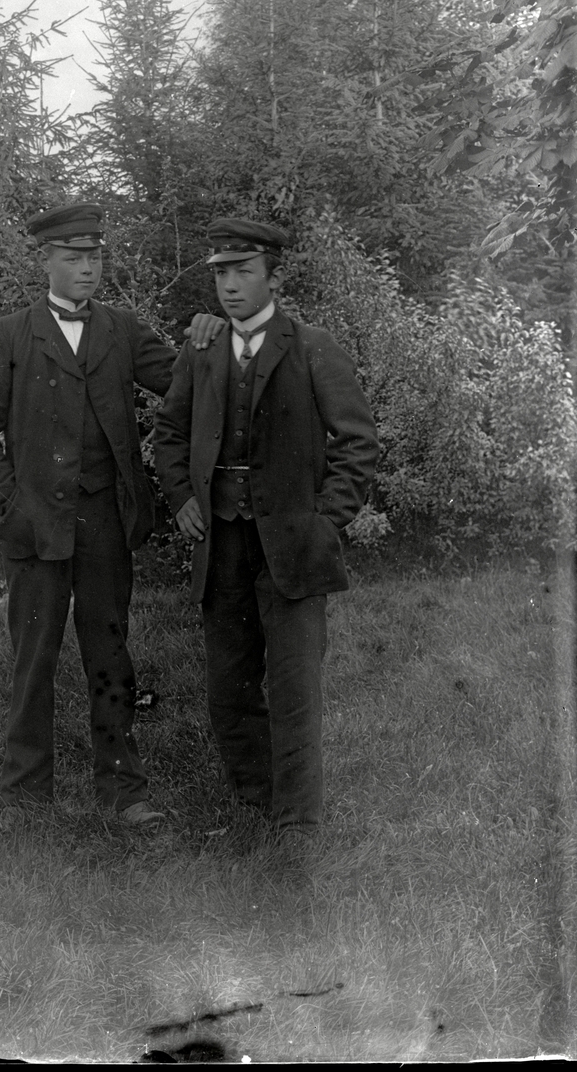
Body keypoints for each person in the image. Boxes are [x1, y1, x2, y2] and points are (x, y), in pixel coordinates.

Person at [0, 202, 223, 828]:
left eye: (95, 257)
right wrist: (8, 503)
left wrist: (207, 339)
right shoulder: (6, 336)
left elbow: (182, 381)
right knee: (33, 659)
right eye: (73, 257)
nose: (87, 268)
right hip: (35, 526)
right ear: (45, 261)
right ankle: (25, 795)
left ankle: (124, 791)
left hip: (106, 521)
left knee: (111, 655)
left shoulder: (122, 330)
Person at [154, 217, 379, 848]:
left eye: (243, 272)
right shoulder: (202, 350)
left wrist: (325, 519)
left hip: (293, 544)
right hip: (221, 540)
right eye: (221, 274)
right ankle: (256, 798)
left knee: (294, 683)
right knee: (228, 685)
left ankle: (298, 820)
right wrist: (181, 498)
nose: (229, 285)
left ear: (274, 279)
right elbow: (169, 433)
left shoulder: (312, 347)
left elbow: (358, 442)